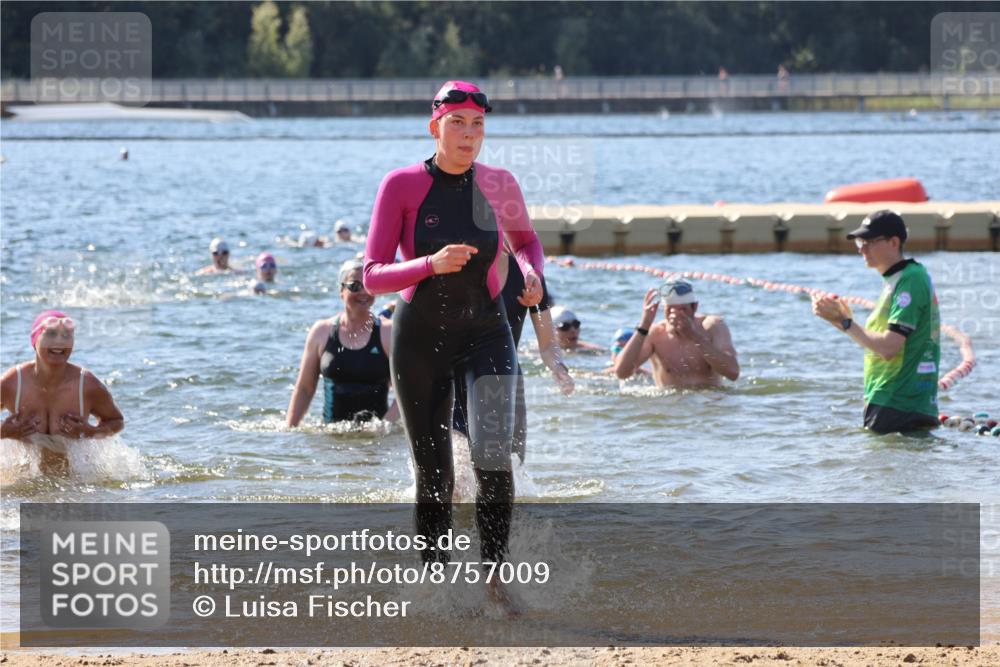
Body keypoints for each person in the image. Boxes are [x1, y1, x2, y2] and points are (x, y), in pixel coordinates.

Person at [363, 80, 544, 615]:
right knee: (435, 472)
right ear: (435, 126)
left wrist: (533, 272)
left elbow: (526, 240)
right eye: (458, 123)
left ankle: (493, 583)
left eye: (478, 125)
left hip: (487, 332)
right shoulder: (401, 186)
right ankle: (437, 585)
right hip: (419, 339)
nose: (469, 135)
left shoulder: (499, 183)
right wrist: (428, 264)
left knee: (494, 457)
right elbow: (372, 276)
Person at [812, 210, 940, 434]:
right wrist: (836, 319)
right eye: (860, 242)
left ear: (894, 242)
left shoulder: (910, 280)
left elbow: (888, 347)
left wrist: (846, 322)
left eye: (870, 242)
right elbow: (877, 343)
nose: (862, 248)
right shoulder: (898, 279)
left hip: (896, 403)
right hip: (898, 402)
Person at [452, 247, 574, 457]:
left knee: (511, 475)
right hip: (457, 384)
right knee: (460, 475)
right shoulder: (454, 267)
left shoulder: (528, 276)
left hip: (507, 385)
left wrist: (558, 367)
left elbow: (547, 344)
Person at [1, 311, 125, 473]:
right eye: (51, 334)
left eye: (67, 335)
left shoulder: (87, 385)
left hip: (73, 484)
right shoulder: (12, 383)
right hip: (25, 481)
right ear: (35, 339)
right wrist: (4, 432)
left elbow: (116, 421)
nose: (60, 341)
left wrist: (91, 432)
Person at [287, 260, 397, 426]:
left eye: (368, 285)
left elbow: (407, 393)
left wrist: (384, 427)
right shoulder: (321, 332)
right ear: (341, 291)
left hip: (375, 444)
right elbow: (304, 388)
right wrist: (289, 430)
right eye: (355, 286)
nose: (363, 292)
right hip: (331, 439)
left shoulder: (388, 332)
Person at [615, 279, 739, 387]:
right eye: (670, 310)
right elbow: (622, 373)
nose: (676, 315)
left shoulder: (712, 327)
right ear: (664, 308)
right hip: (672, 405)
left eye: (683, 310)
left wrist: (695, 337)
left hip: (708, 403)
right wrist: (644, 326)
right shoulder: (655, 334)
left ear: (694, 307)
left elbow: (733, 373)